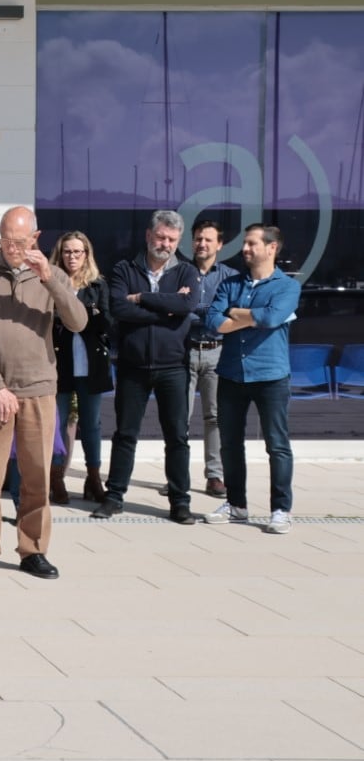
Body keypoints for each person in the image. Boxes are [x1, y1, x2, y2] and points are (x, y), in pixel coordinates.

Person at [0, 206, 87, 580]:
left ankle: (33, 550)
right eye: (5, 240)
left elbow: (78, 320)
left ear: (35, 238)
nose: (11, 248)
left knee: (36, 477)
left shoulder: (53, 275)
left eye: (18, 241)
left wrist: (49, 278)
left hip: (38, 390)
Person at [99, 209, 202, 523]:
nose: (165, 243)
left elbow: (187, 306)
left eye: (172, 239)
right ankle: (114, 497)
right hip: (133, 366)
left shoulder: (186, 271)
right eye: (160, 236)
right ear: (148, 235)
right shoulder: (123, 269)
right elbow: (118, 308)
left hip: (173, 367)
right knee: (125, 435)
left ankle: (179, 502)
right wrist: (167, 310)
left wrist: (141, 297)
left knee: (177, 437)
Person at [204, 224, 301, 534]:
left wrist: (237, 313)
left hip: (271, 376)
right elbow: (213, 321)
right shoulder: (230, 283)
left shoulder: (287, 287)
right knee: (230, 445)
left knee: (277, 445)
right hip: (232, 373)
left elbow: (274, 318)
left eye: (251, 244)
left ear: (271, 248)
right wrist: (251, 317)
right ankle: (236, 504)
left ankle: (281, 509)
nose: (244, 249)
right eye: (244, 244)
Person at [170, 220, 233, 500]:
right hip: (183, 349)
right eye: (197, 239)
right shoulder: (178, 273)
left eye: (208, 239)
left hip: (217, 351)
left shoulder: (230, 277)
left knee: (215, 417)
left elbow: (228, 315)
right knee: (179, 417)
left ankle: (215, 476)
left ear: (219, 244)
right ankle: (177, 477)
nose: (202, 244)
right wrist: (207, 312)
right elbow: (174, 310)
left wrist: (194, 308)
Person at [49, 231, 112, 506]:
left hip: (90, 362)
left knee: (92, 424)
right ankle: (56, 478)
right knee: (57, 424)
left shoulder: (97, 285)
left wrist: (82, 316)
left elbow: (106, 322)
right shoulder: (51, 282)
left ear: (86, 254)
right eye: (67, 252)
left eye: (77, 252)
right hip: (60, 363)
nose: (72, 257)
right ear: (59, 254)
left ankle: (94, 477)